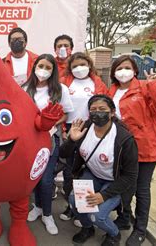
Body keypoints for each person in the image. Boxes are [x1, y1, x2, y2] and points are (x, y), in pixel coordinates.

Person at [107, 55, 156, 246]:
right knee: (124, 185)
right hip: (122, 148)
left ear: (135, 70)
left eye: (127, 67)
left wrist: (153, 86)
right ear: (114, 73)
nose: (123, 71)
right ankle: (124, 218)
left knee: (141, 189)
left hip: (146, 146)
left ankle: (140, 229)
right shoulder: (112, 90)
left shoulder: (144, 87)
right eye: (119, 68)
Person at [62, 95, 138, 246]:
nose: (98, 113)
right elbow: (63, 154)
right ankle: (87, 228)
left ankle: (114, 234)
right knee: (75, 201)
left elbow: (130, 175)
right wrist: (72, 140)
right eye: (93, 110)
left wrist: (104, 195)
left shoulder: (124, 139)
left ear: (112, 112)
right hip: (92, 175)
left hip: (115, 181)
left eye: (102, 109)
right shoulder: (84, 127)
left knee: (98, 216)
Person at [23, 54, 74, 235]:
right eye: (40, 66)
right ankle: (37, 207)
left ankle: (47, 214)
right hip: (29, 140)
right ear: (34, 67)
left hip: (50, 138)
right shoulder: (25, 88)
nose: (43, 70)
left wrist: (51, 124)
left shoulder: (60, 90)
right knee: (34, 177)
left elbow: (66, 113)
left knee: (45, 180)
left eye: (48, 67)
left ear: (53, 71)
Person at [58, 52, 108, 223]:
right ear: (70, 69)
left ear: (89, 64)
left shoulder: (97, 83)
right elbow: (59, 107)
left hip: (91, 130)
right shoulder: (65, 82)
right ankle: (71, 207)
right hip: (71, 129)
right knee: (69, 171)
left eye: (83, 64)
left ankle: (83, 211)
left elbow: (104, 107)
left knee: (86, 172)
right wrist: (63, 128)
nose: (79, 68)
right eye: (75, 66)